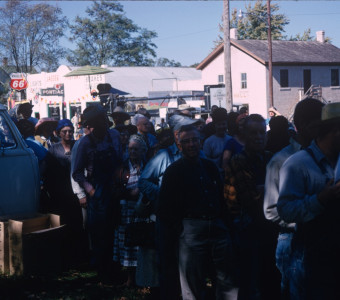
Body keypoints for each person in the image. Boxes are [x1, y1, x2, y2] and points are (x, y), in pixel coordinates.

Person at [158, 125, 237, 300]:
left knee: (227, 279)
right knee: (192, 282)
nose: (192, 144)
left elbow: (221, 197)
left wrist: (224, 223)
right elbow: (164, 207)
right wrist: (180, 229)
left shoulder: (210, 167)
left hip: (217, 227)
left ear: (200, 142)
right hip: (191, 229)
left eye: (195, 140)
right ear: (180, 146)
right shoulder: (174, 171)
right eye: (186, 141)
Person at [277, 102, 340, 300]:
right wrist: (320, 199)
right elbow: (286, 210)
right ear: (334, 132)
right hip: (310, 261)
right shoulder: (298, 164)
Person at [264, 98, 324, 299]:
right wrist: (307, 216)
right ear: (302, 127)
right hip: (291, 239)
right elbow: (271, 209)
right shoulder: (281, 160)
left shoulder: (326, 156)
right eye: (317, 126)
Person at [138, 114, 201, 300]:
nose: (191, 137)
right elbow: (143, 181)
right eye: (185, 131)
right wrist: (164, 195)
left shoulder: (199, 153)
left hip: (192, 221)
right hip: (167, 220)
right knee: (168, 263)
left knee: (190, 265)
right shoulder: (164, 156)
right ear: (176, 135)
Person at [224, 114, 280, 300]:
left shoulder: (271, 158)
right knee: (251, 284)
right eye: (253, 133)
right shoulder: (239, 161)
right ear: (244, 136)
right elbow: (250, 201)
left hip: (271, 230)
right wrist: (268, 190)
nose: (258, 137)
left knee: (271, 282)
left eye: (261, 132)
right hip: (249, 232)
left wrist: (264, 189)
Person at [72, 104, 122, 281]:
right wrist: (90, 191)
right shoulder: (84, 143)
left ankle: (117, 268)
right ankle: (103, 271)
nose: (102, 124)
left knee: (116, 230)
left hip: (115, 188)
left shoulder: (114, 136)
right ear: (91, 125)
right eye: (97, 122)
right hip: (98, 191)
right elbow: (77, 172)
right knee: (100, 233)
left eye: (103, 120)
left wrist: (121, 174)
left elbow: (121, 160)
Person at [44, 119, 85, 268]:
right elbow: (47, 172)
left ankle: (78, 257)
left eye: (70, 131)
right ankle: (63, 258)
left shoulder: (78, 147)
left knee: (77, 224)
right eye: (65, 131)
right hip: (59, 194)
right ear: (59, 133)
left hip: (75, 193)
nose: (68, 134)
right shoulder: (54, 149)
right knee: (62, 224)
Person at [113, 135, 147, 287]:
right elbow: (115, 190)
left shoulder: (148, 165)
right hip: (126, 211)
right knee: (127, 245)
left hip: (144, 212)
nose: (132, 152)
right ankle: (129, 279)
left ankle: (144, 278)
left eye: (136, 149)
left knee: (143, 245)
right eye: (130, 149)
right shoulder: (122, 168)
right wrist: (129, 194)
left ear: (143, 150)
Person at [203, 107, 231, 176]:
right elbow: (206, 162)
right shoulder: (208, 142)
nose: (221, 127)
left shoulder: (231, 139)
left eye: (223, 124)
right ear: (215, 126)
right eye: (219, 124)